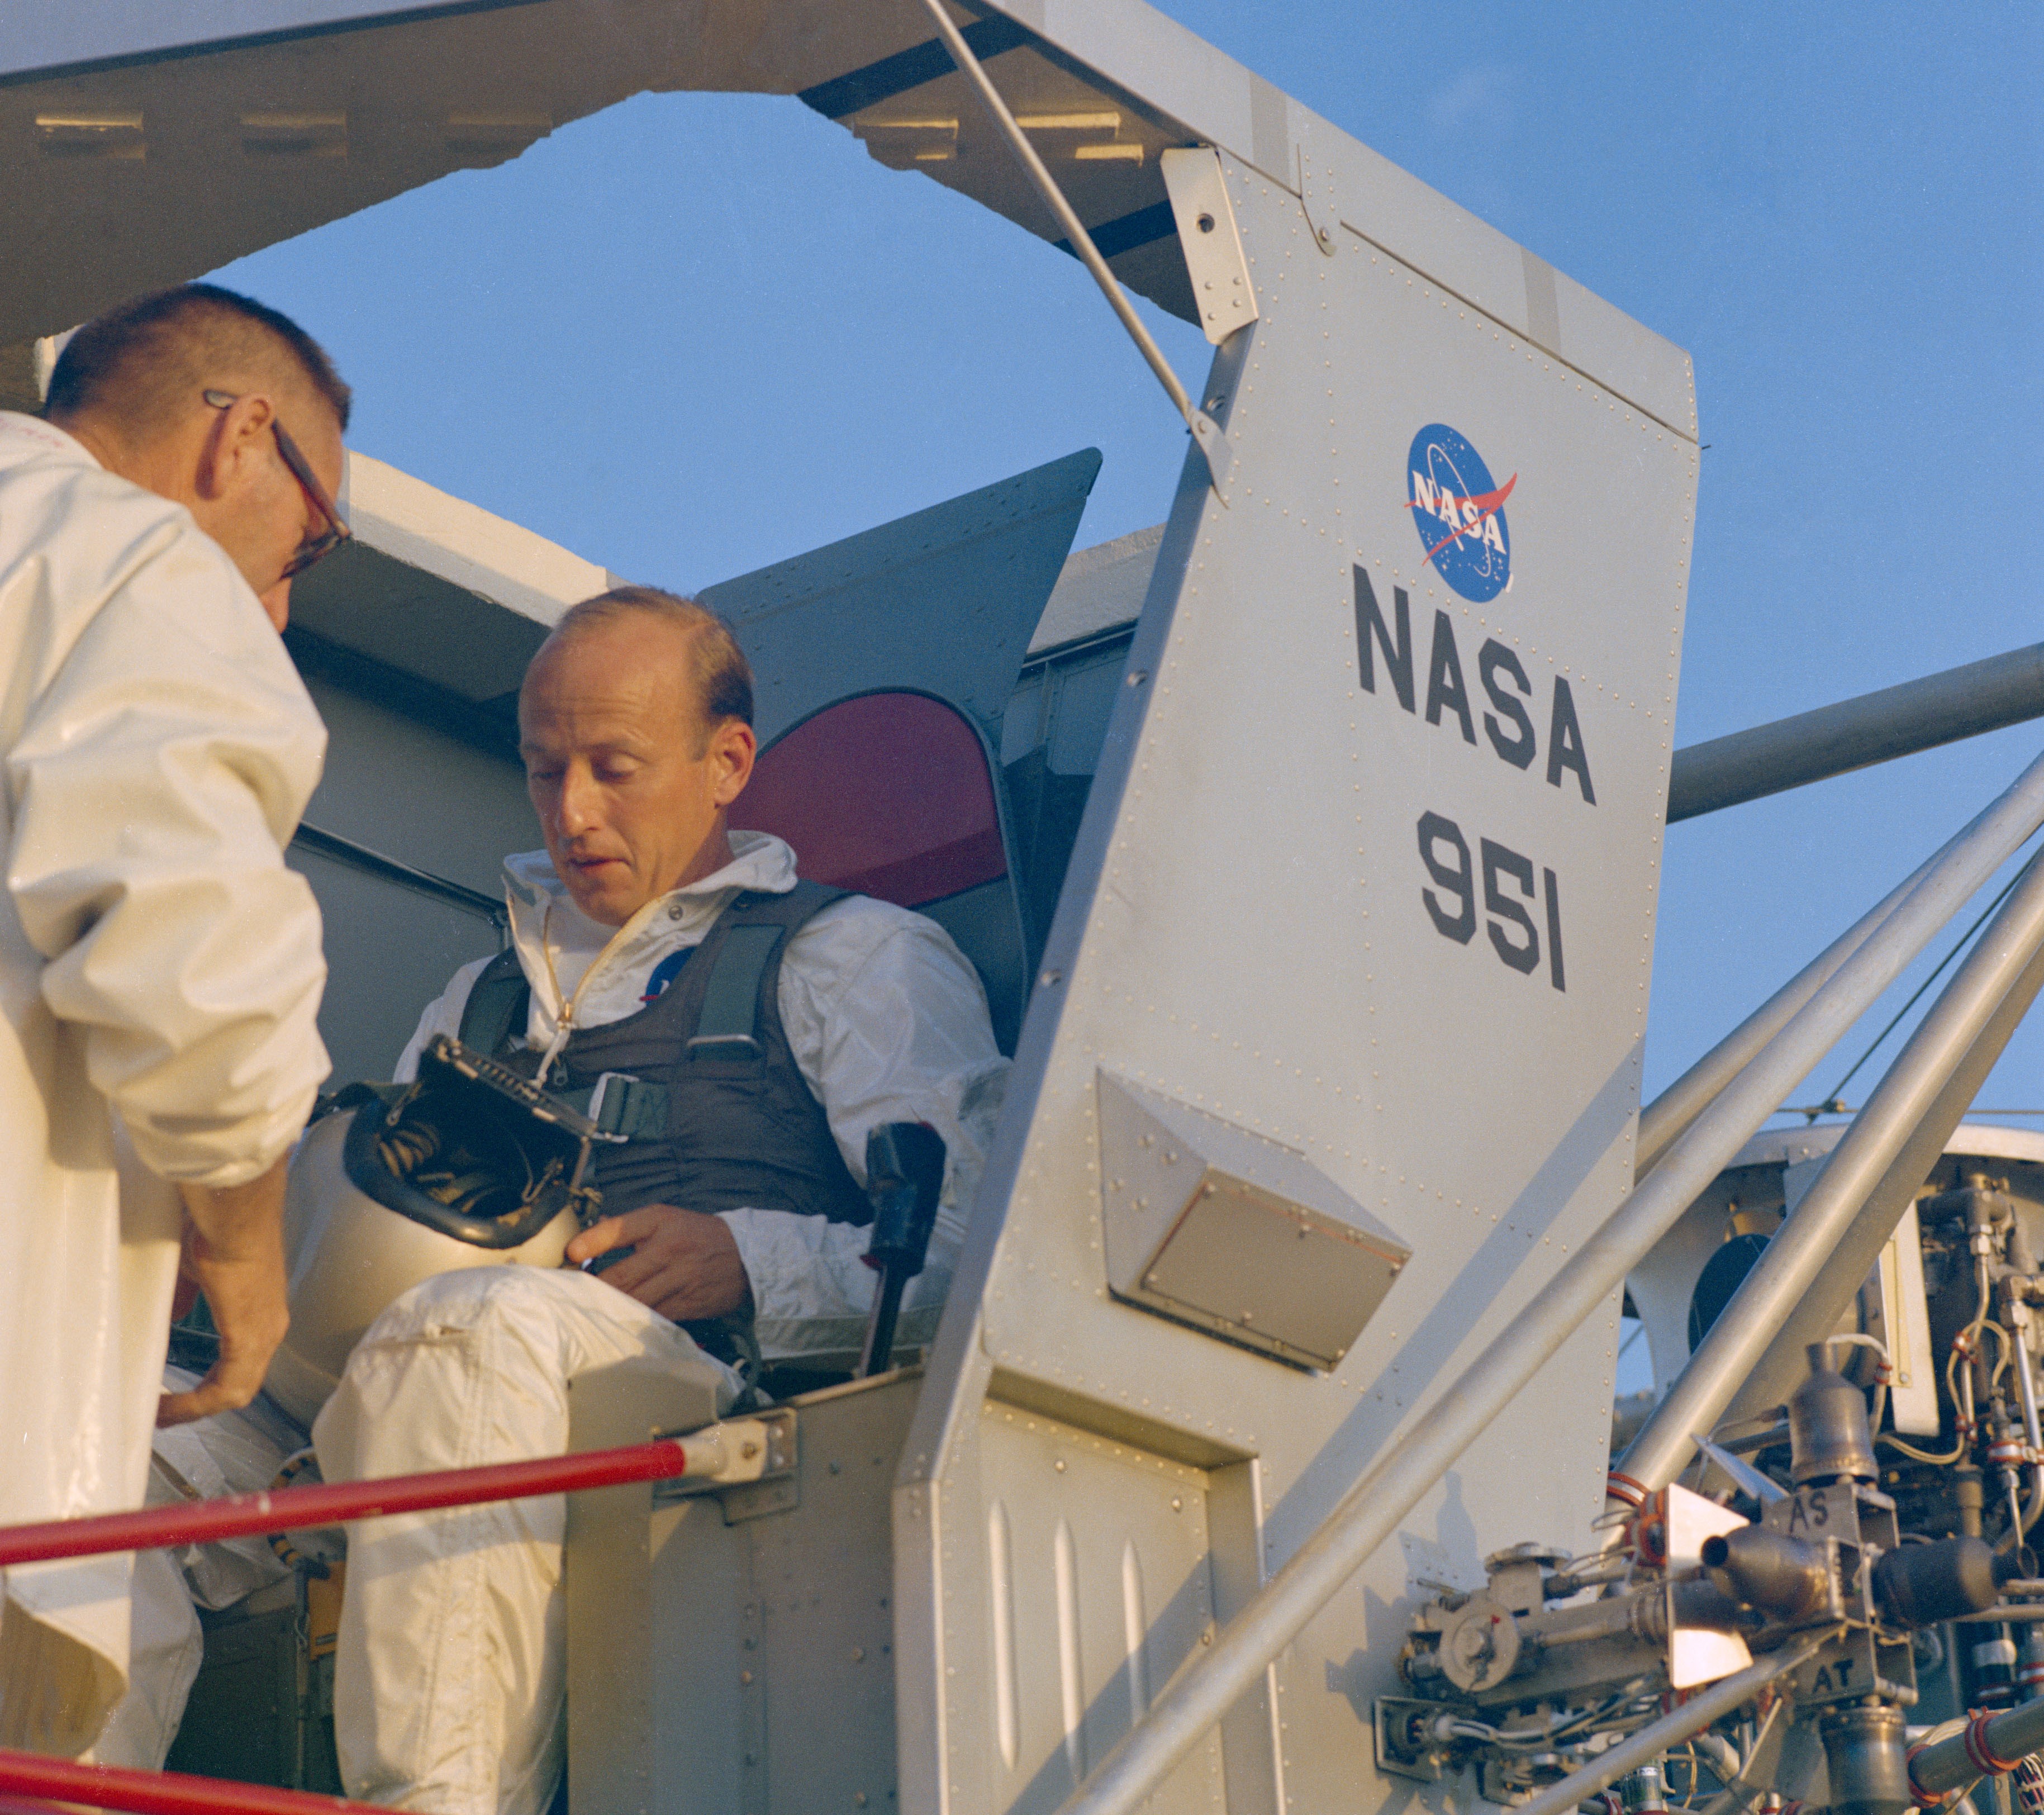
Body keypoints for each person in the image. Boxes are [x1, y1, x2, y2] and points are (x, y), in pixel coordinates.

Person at [308, 587, 1008, 1815]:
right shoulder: (476, 997)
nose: (571, 812)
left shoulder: (855, 958)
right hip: (408, 1395)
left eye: (613, 768)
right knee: (108, 1467)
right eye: (543, 772)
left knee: (478, 1326)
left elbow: (987, 1256)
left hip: (705, 1404)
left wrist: (753, 1258)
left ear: (727, 760)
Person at [0, 284, 346, 1756]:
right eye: (311, 539)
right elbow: (187, 936)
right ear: (240, 438)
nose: (280, 598)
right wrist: (244, 1232)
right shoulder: (131, 554)